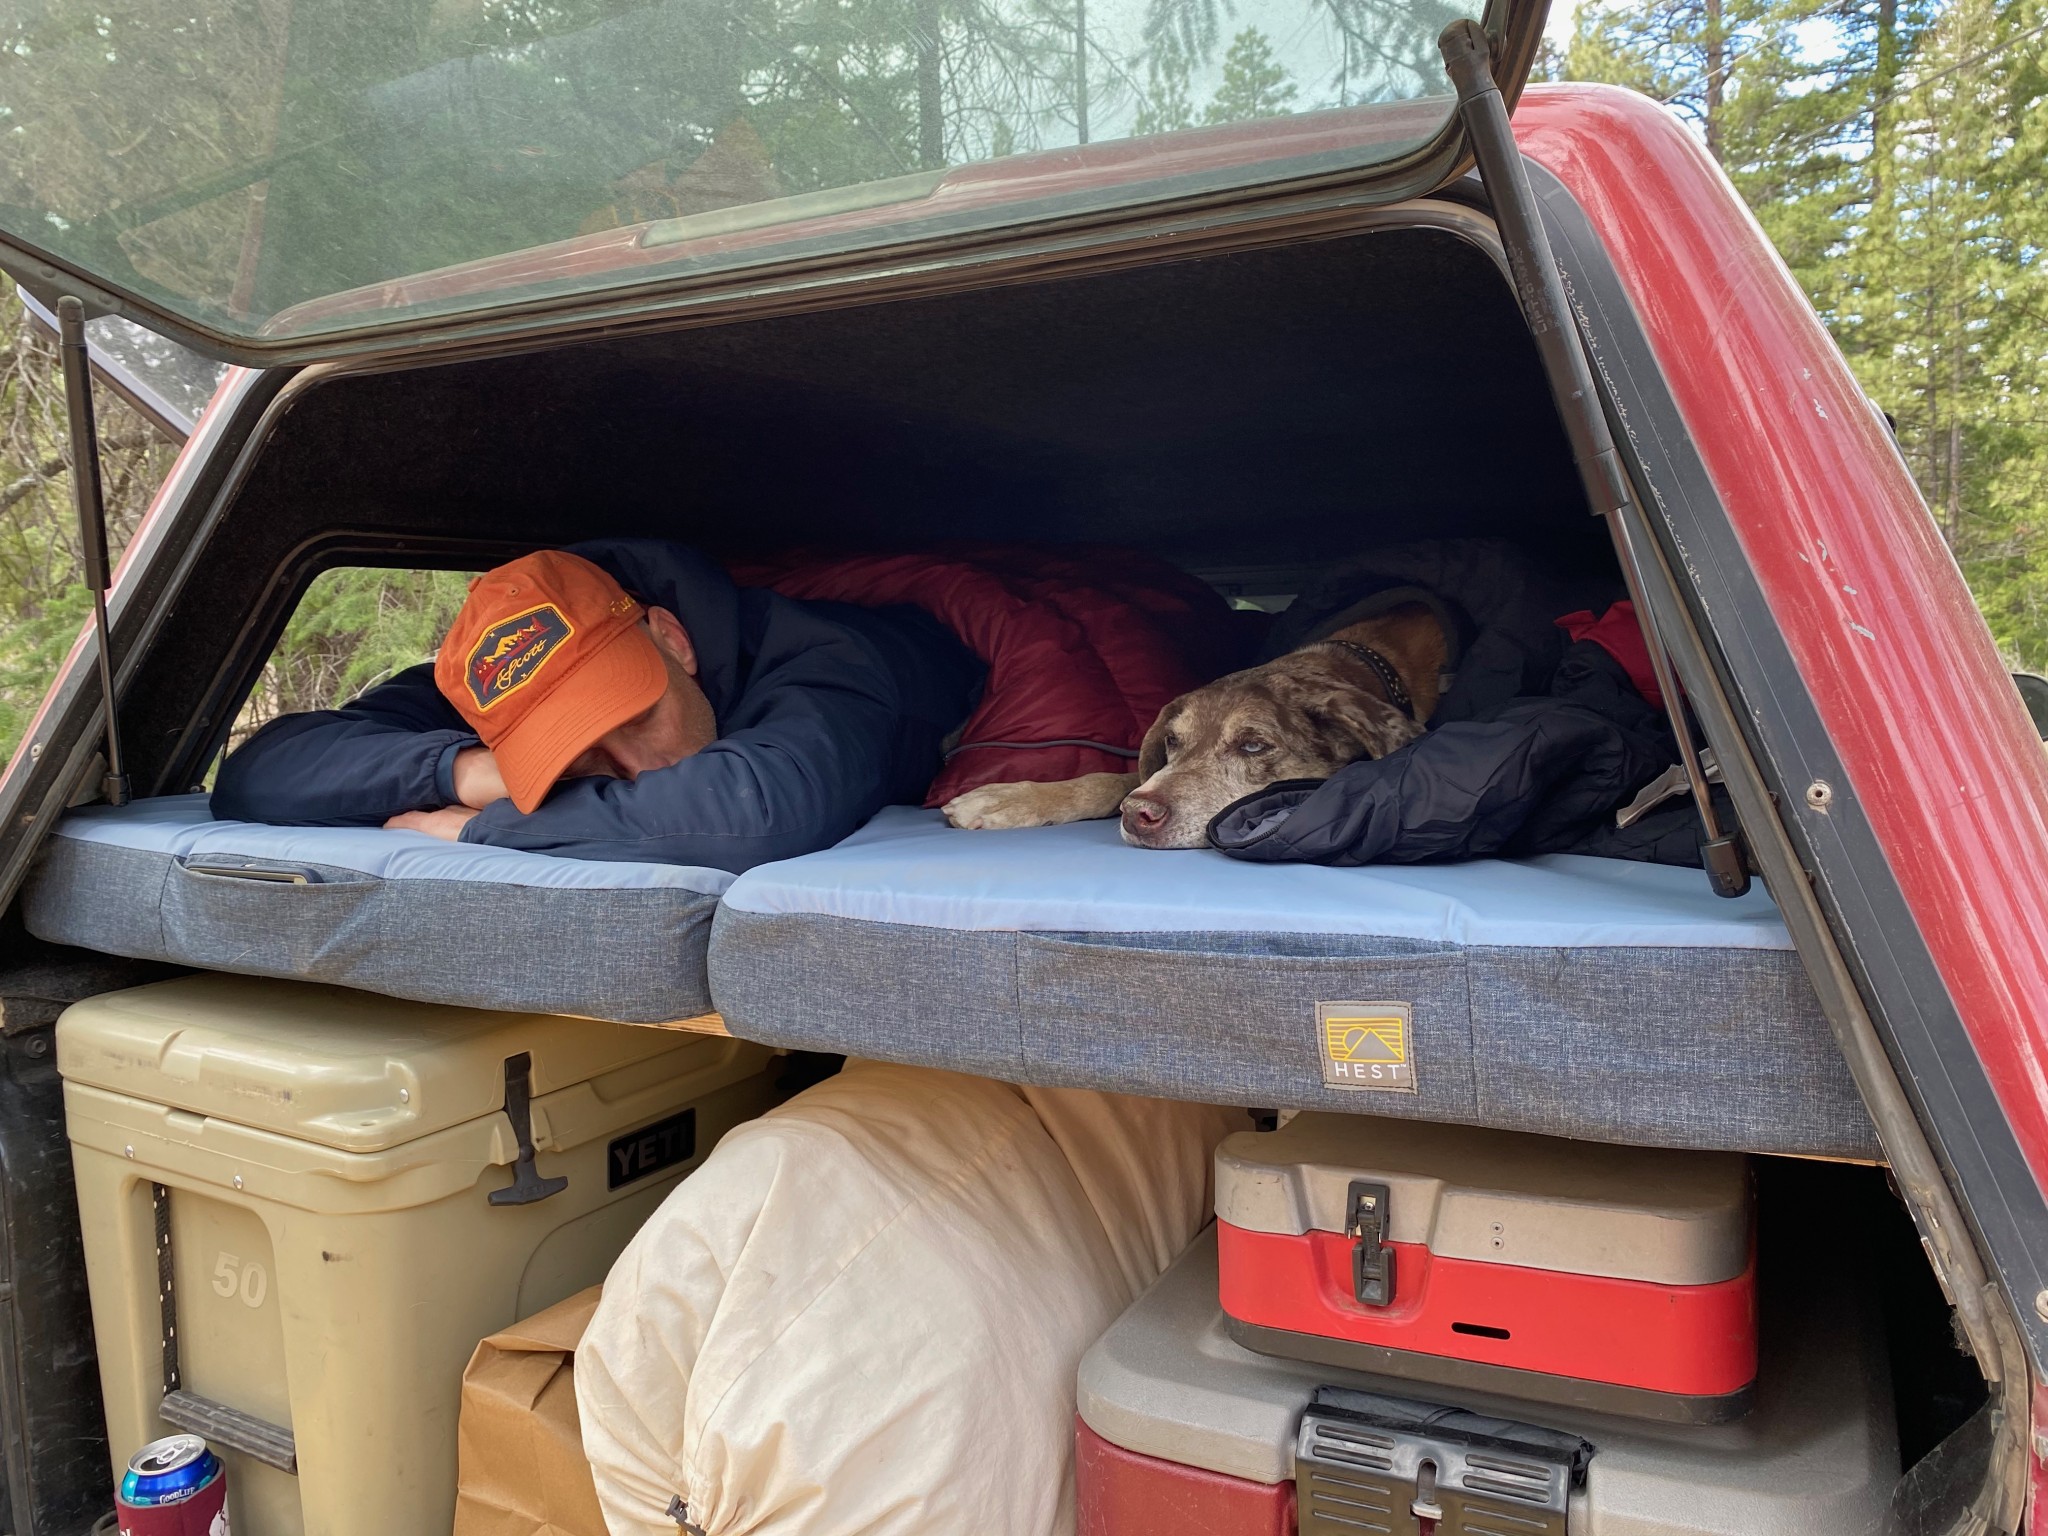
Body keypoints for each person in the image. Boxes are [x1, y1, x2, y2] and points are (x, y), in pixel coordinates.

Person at [212, 539, 983, 871]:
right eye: (580, 757)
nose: (638, 770)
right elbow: (260, 774)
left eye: (638, 715)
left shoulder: (828, 658)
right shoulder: (502, 683)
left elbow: (759, 810)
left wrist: (483, 827)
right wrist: (471, 772)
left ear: (672, 639)